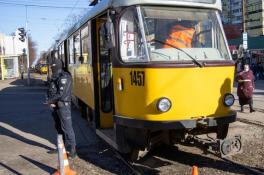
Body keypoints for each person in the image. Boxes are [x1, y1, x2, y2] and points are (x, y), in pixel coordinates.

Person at [47, 59, 76, 158]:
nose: (51, 68)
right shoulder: (54, 76)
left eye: (53, 66)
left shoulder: (65, 76)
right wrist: (49, 101)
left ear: (57, 66)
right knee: (58, 127)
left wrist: (50, 101)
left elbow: (61, 93)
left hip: (63, 105)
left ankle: (73, 150)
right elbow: (50, 90)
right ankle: (61, 147)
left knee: (67, 128)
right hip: (55, 105)